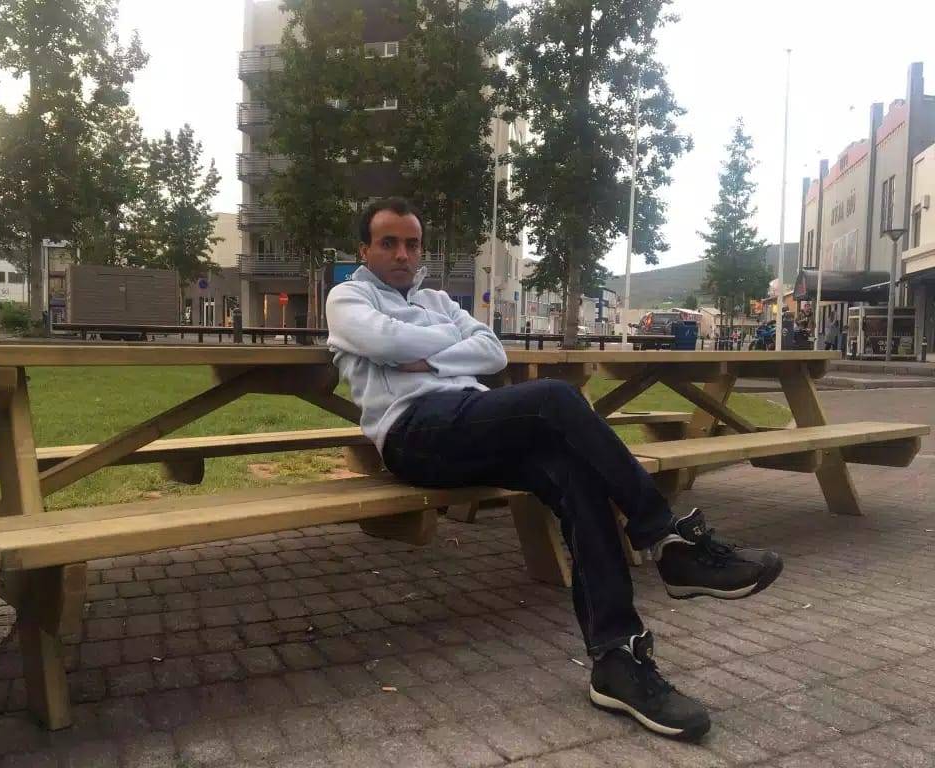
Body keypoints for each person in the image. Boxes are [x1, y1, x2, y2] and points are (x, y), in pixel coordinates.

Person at [326, 197, 783, 741]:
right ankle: (666, 538)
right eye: (388, 243)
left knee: (575, 476)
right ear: (364, 250)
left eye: (412, 243)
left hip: (474, 421)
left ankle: (617, 660)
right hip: (414, 433)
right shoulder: (348, 297)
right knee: (555, 398)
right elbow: (385, 341)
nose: (403, 254)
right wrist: (449, 345)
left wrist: (422, 355)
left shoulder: (437, 300)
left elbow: (492, 352)